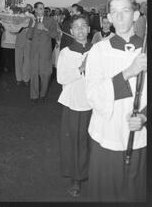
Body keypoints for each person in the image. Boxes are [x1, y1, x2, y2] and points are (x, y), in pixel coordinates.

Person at [85, 0, 147, 202]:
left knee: (133, 194)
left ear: (136, 15)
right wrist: (127, 73)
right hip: (107, 133)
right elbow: (92, 94)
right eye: (114, 12)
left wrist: (145, 117)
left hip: (137, 136)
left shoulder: (146, 50)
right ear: (108, 18)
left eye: (125, 11)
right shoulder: (99, 50)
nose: (120, 17)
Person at [57, 14, 92, 197]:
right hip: (74, 103)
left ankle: (94, 174)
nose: (80, 30)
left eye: (83, 26)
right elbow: (61, 78)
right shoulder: (66, 52)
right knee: (75, 142)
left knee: (92, 141)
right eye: (76, 27)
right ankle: (76, 178)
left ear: (88, 29)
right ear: (70, 31)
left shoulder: (97, 51)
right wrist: (81, 69)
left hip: (94, 103)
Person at [27, 2, 58, 102]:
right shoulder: (32, 21)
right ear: (35, 10)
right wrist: (32, 25)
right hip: (34, 52)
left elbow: (55, 35)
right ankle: (34, 95)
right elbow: (29, 36)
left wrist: (45, 29)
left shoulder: (50, 20)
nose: (42, 10)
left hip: (45, 52)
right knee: (34, 74)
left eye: (43, 8)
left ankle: (43, 94)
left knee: (46, 74)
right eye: (40, 8)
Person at [15, 4, 33, 85]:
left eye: (29, 9)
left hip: (29, 41)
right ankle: (19, 78)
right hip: (19, 40)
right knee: (18, 60)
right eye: (26, 8)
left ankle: (26, 79)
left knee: (27, 61)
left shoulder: (33, 18)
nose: (27, 10)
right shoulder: (20, 17)